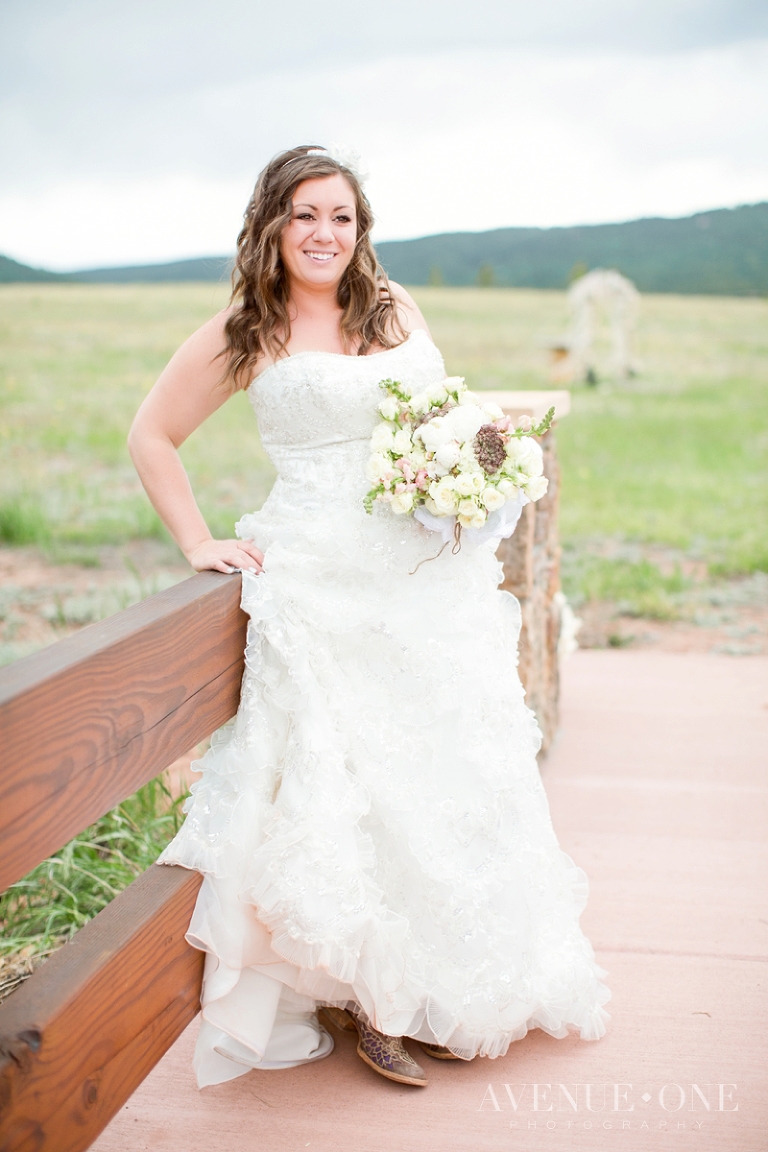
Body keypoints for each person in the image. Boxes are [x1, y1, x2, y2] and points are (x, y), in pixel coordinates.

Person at [128, 144, 610, 1090]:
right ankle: (369, 999)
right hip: (317, 581)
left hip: (425, 583)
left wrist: (469, 475)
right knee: (350, 783)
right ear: (271, 224)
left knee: (437, 774)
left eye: (341, 217)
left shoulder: (392, 310)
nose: (325, 234)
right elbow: (152, 433)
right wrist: (195, 541)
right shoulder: (246, 327)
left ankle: (436, 983)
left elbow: (437, 417)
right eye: (305, 215)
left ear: (361, 229)